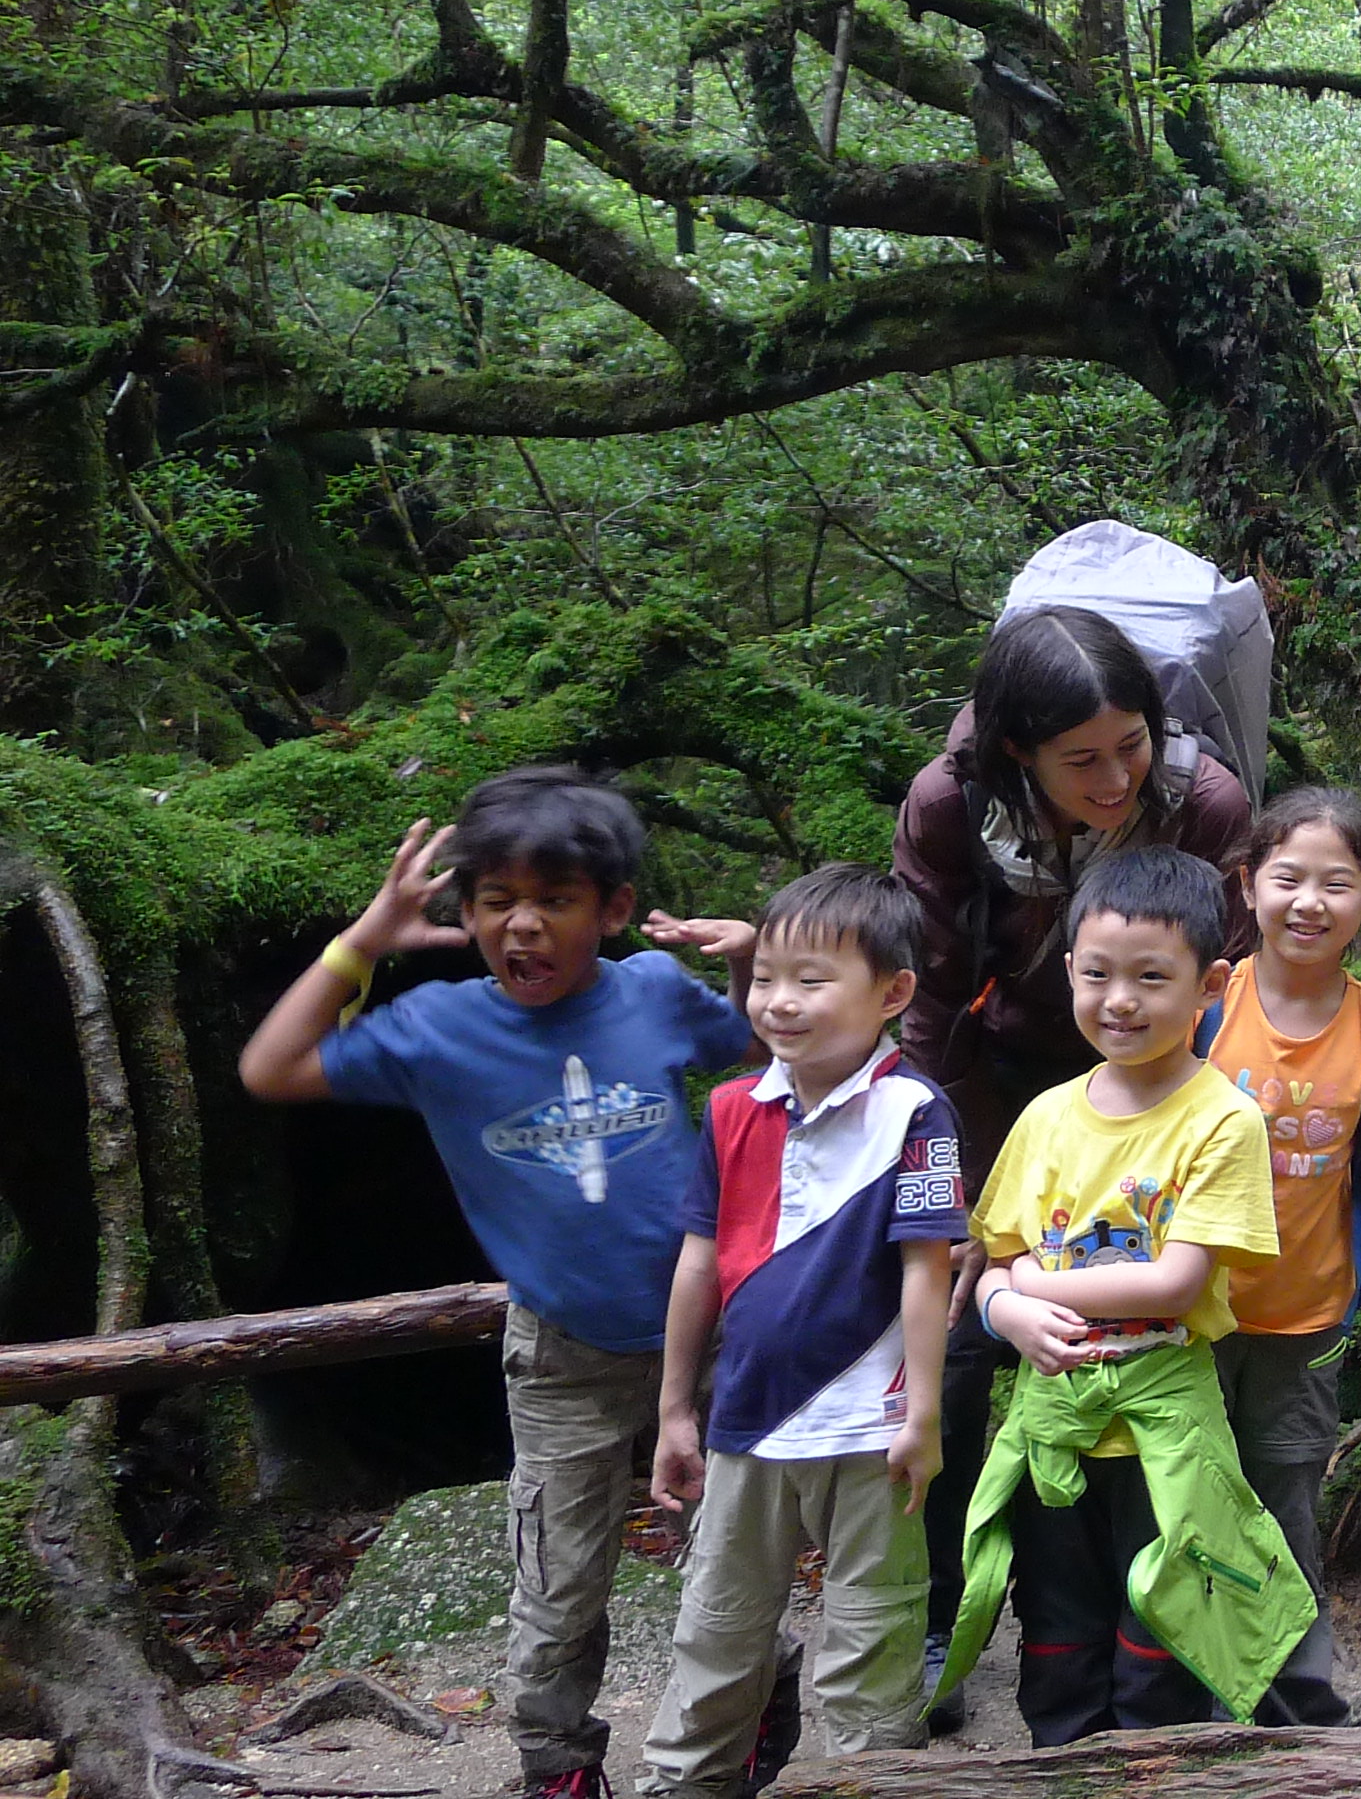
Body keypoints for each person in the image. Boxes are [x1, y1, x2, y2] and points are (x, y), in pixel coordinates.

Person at [235, 769, 757, 1799]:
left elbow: (748, 1042)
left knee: (733, 1562)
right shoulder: (439, 1029)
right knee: (558, 1584)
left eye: (555, 899)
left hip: (710, 1333)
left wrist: (746, 961)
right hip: (562, 1352)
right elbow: (271, 1068)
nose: (524, 924)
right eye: (497, 900)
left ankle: (737, 1730)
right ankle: (557, 1767)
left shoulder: (651, 991)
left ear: (612, 910)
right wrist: (362, 942)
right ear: (466, 913)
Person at [892, 605, 1255, 1715]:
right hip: (1001, 1083)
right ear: (1019, 751)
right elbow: (930, 999)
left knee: (1161, 1351)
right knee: (960, 1348)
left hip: (1167, 1085)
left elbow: (1228, 977)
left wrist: (1197, 1122)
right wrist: (953, 1191)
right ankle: (940, 1616)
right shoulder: (950, 805)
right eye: (1081, 760)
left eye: (1130, 745)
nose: (1115, 778)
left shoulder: (1203, 801)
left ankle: (1187, 1622)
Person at [938, 848, 1309, 1741]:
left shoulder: (1223, 1118)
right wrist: (1006, 1309)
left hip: (1164, 1433)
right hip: (1053, 1426)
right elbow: (992, 1265)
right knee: (1056, 1641)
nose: (1120, 1000)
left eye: (1151, 977)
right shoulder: (1046, 1117)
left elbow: (1176, 1282)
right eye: (1098, 974)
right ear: (1070, 972)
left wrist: (1038, 1279)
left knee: (1163, 1640)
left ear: (1209, 985)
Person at [639, 867, 961, 1799]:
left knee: (874, 1641)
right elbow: (698, 1263)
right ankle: (685, 1784)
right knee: (717, 1630)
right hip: (747, 1420)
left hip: (873, 1430)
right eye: (768, 977)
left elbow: (925, 1269)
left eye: (812, 980)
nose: (780, 1001)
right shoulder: (732, 1108)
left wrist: (924, 1416)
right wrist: (673, 1410)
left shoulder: (915, 1111)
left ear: (892, 993)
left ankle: (876, 1783)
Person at [1202, 787, 1361, 1722]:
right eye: (1287, 877)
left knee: (1286, 1506)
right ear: (1248, 883)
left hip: (1304, 1323)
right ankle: (1176, 1694)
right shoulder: (1205, 1002)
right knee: (1180, 1502)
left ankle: (1291, 1704)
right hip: (1186, 1314)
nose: (1308, 902)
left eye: (1336, 884)